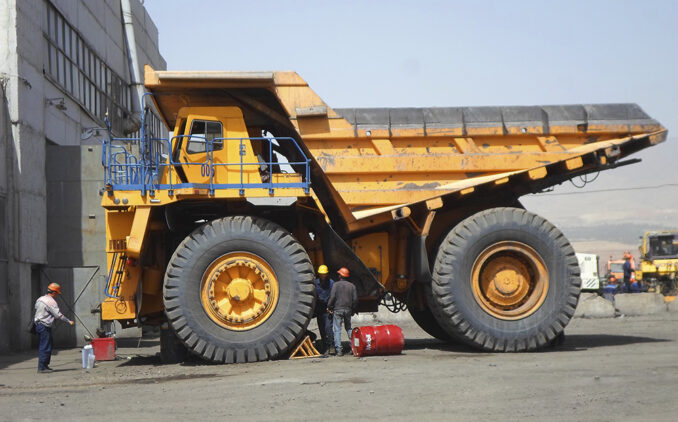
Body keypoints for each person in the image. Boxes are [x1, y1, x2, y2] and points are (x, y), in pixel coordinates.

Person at [33, 283, 74, 373]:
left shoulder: (40, 299)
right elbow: (58, 315)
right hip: (44, 326)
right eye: (57, 294)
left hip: (38, 325)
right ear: (54, 292)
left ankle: (45, 365)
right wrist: (68, 321)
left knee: (47, 345)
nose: (57, 296)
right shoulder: (51, 302)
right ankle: (42, 368)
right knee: (45, 346)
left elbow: (36, 308)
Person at [327, 267, 357, 357]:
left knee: (337, 330)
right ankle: (353, 347)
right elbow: (355, 299)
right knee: (348, 328)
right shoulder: (352, 286)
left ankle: (339, 350)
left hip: (338, 310)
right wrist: (353, 309)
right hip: (348, 309)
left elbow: (332, 297)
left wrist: (329, 306)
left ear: (340, 275)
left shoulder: (335, 285)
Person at [314, 265, 335, 356]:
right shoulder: (315, 283)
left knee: (328, 327)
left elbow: (334, 296)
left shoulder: (331, 283)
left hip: (328, 308)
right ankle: (325, 346)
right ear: (319, 274)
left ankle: (331, 346)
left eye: (324, 274)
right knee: (322, 328)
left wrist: (332, 307)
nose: (323, 276)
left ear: (327, 274)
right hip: (319, 309)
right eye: (321, 274)